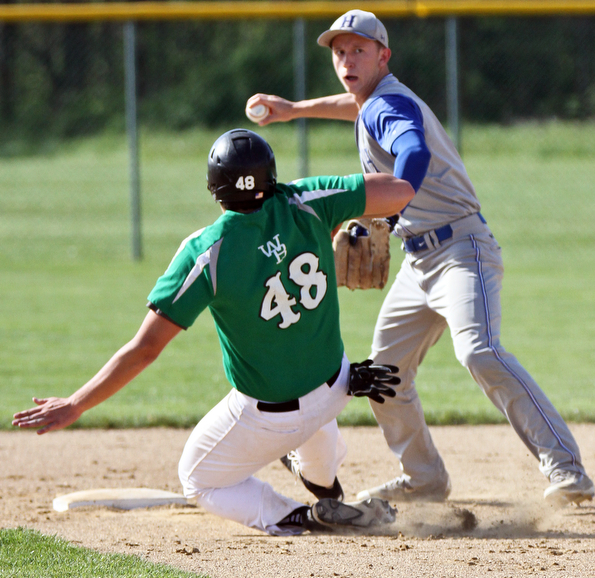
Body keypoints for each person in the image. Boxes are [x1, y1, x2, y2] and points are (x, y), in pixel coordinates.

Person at [247, 9, 594, 507]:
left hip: (460, 251)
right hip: (419, 262)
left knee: (478, 350)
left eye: (359, 50)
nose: (347, 59)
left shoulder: (388, 108)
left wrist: (388, 211)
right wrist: (294, 110)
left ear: (383, 55)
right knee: (384, 372)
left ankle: (567, 469)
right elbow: (356, 106)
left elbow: (411, 150)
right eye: (339, 51)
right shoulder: (375, 100)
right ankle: (424, 479)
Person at [12, 128, 414, 535]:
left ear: (214, 188)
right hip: (336, 386)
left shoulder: (206, 253)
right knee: (313, 423)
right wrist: (356, 218)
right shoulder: (308, 200)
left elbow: (145, 349)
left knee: (198, 480)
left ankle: (299, 516)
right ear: (270, 175)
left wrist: (77, 403)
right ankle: (328, 491)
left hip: (269, 416)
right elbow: (399, 191)